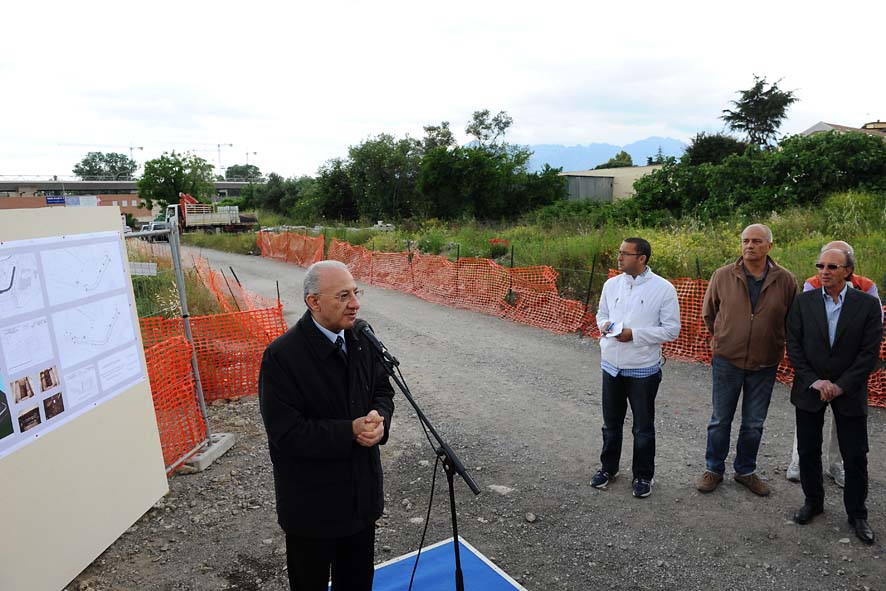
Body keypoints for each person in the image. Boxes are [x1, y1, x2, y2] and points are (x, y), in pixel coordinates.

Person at [258, 260, 395, 590]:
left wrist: (379, 420)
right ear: (314, 302)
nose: (356, 303)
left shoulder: (362, 338)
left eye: (356, 293)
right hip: (312, 511)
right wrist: (349, 430)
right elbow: (286, 433)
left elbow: (382, 389)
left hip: (361, 501)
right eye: (344, 295)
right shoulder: (282, 357)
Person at [786, 248, 883, 544]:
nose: (824, 271)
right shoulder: (802, 302)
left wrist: (841, 385)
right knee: (808, 451)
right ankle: (813, 502)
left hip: (849, 391)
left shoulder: (867, 305)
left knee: (855, 455)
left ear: (847, 271)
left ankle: (857, 513)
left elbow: (870, 353)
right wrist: (814, 381)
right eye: (820, 266)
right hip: (810, 389)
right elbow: (794, 346)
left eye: (832, 266)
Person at [696, 224, 797, 496]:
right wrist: (725, 339)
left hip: (765, 363)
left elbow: (792, 321)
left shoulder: (786, 280)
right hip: (727, 361)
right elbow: (710, 314)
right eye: (745, 241)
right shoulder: (722, 275)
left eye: (756, 241)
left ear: (769, 246)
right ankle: (713, 469)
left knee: (754, 423)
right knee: (720, 419)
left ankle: (746, 471)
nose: (749, 246)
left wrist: (776, 342)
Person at [591, 238, 680, 498]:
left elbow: (672, 329)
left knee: (642, 427)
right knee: (611, 423)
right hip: (611, 366)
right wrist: (605, 326)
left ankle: (643, 475)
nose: (619, 258)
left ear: (642, 258)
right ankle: (608, 468)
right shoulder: (612, 284)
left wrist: (635, 335)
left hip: (642, 368)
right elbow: (601, 314)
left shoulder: (663, 289)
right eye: (619, 252)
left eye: (625, 254)